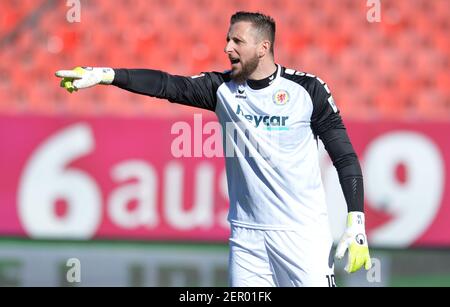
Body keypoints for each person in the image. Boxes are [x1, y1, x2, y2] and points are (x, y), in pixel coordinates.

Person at [56, 11, 371, 287]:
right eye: (227, 39)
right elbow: (168, 85)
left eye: (237, 41)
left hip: (302, 236)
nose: (227, 48)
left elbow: (344, 156)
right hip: (247, 239)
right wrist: (106, 75)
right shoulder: (221, 88)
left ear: (264, 47)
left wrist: (355, 222)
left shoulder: (307, 90)